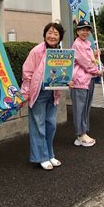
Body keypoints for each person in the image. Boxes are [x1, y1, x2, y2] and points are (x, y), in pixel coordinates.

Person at [21, 22, 72, 170]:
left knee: (51, 125)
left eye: (56, 34)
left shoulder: (61, 52)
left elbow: (65, 73)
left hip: (53, 93)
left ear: (60, 37)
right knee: (38, 125)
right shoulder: (37, 51)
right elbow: (27, 73)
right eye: (49, 32)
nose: (52, 36)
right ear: (44, 35)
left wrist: (69, 81)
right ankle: (40, 157)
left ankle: (50, 154)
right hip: (38, 92)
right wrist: (25, 93)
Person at [71, 19, 103, 147]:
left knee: (85, 107)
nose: (85, 32)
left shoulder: (87, 44)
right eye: (82, 29)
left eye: (87, 30)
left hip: (88, 79)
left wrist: (95, 57)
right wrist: (98, 70)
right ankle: (80, 134)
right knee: (80, 108)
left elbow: (90, 61)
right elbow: (85, 63)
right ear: (77, 31)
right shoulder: (78, 44)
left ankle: (83, 132)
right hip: (79, 81)